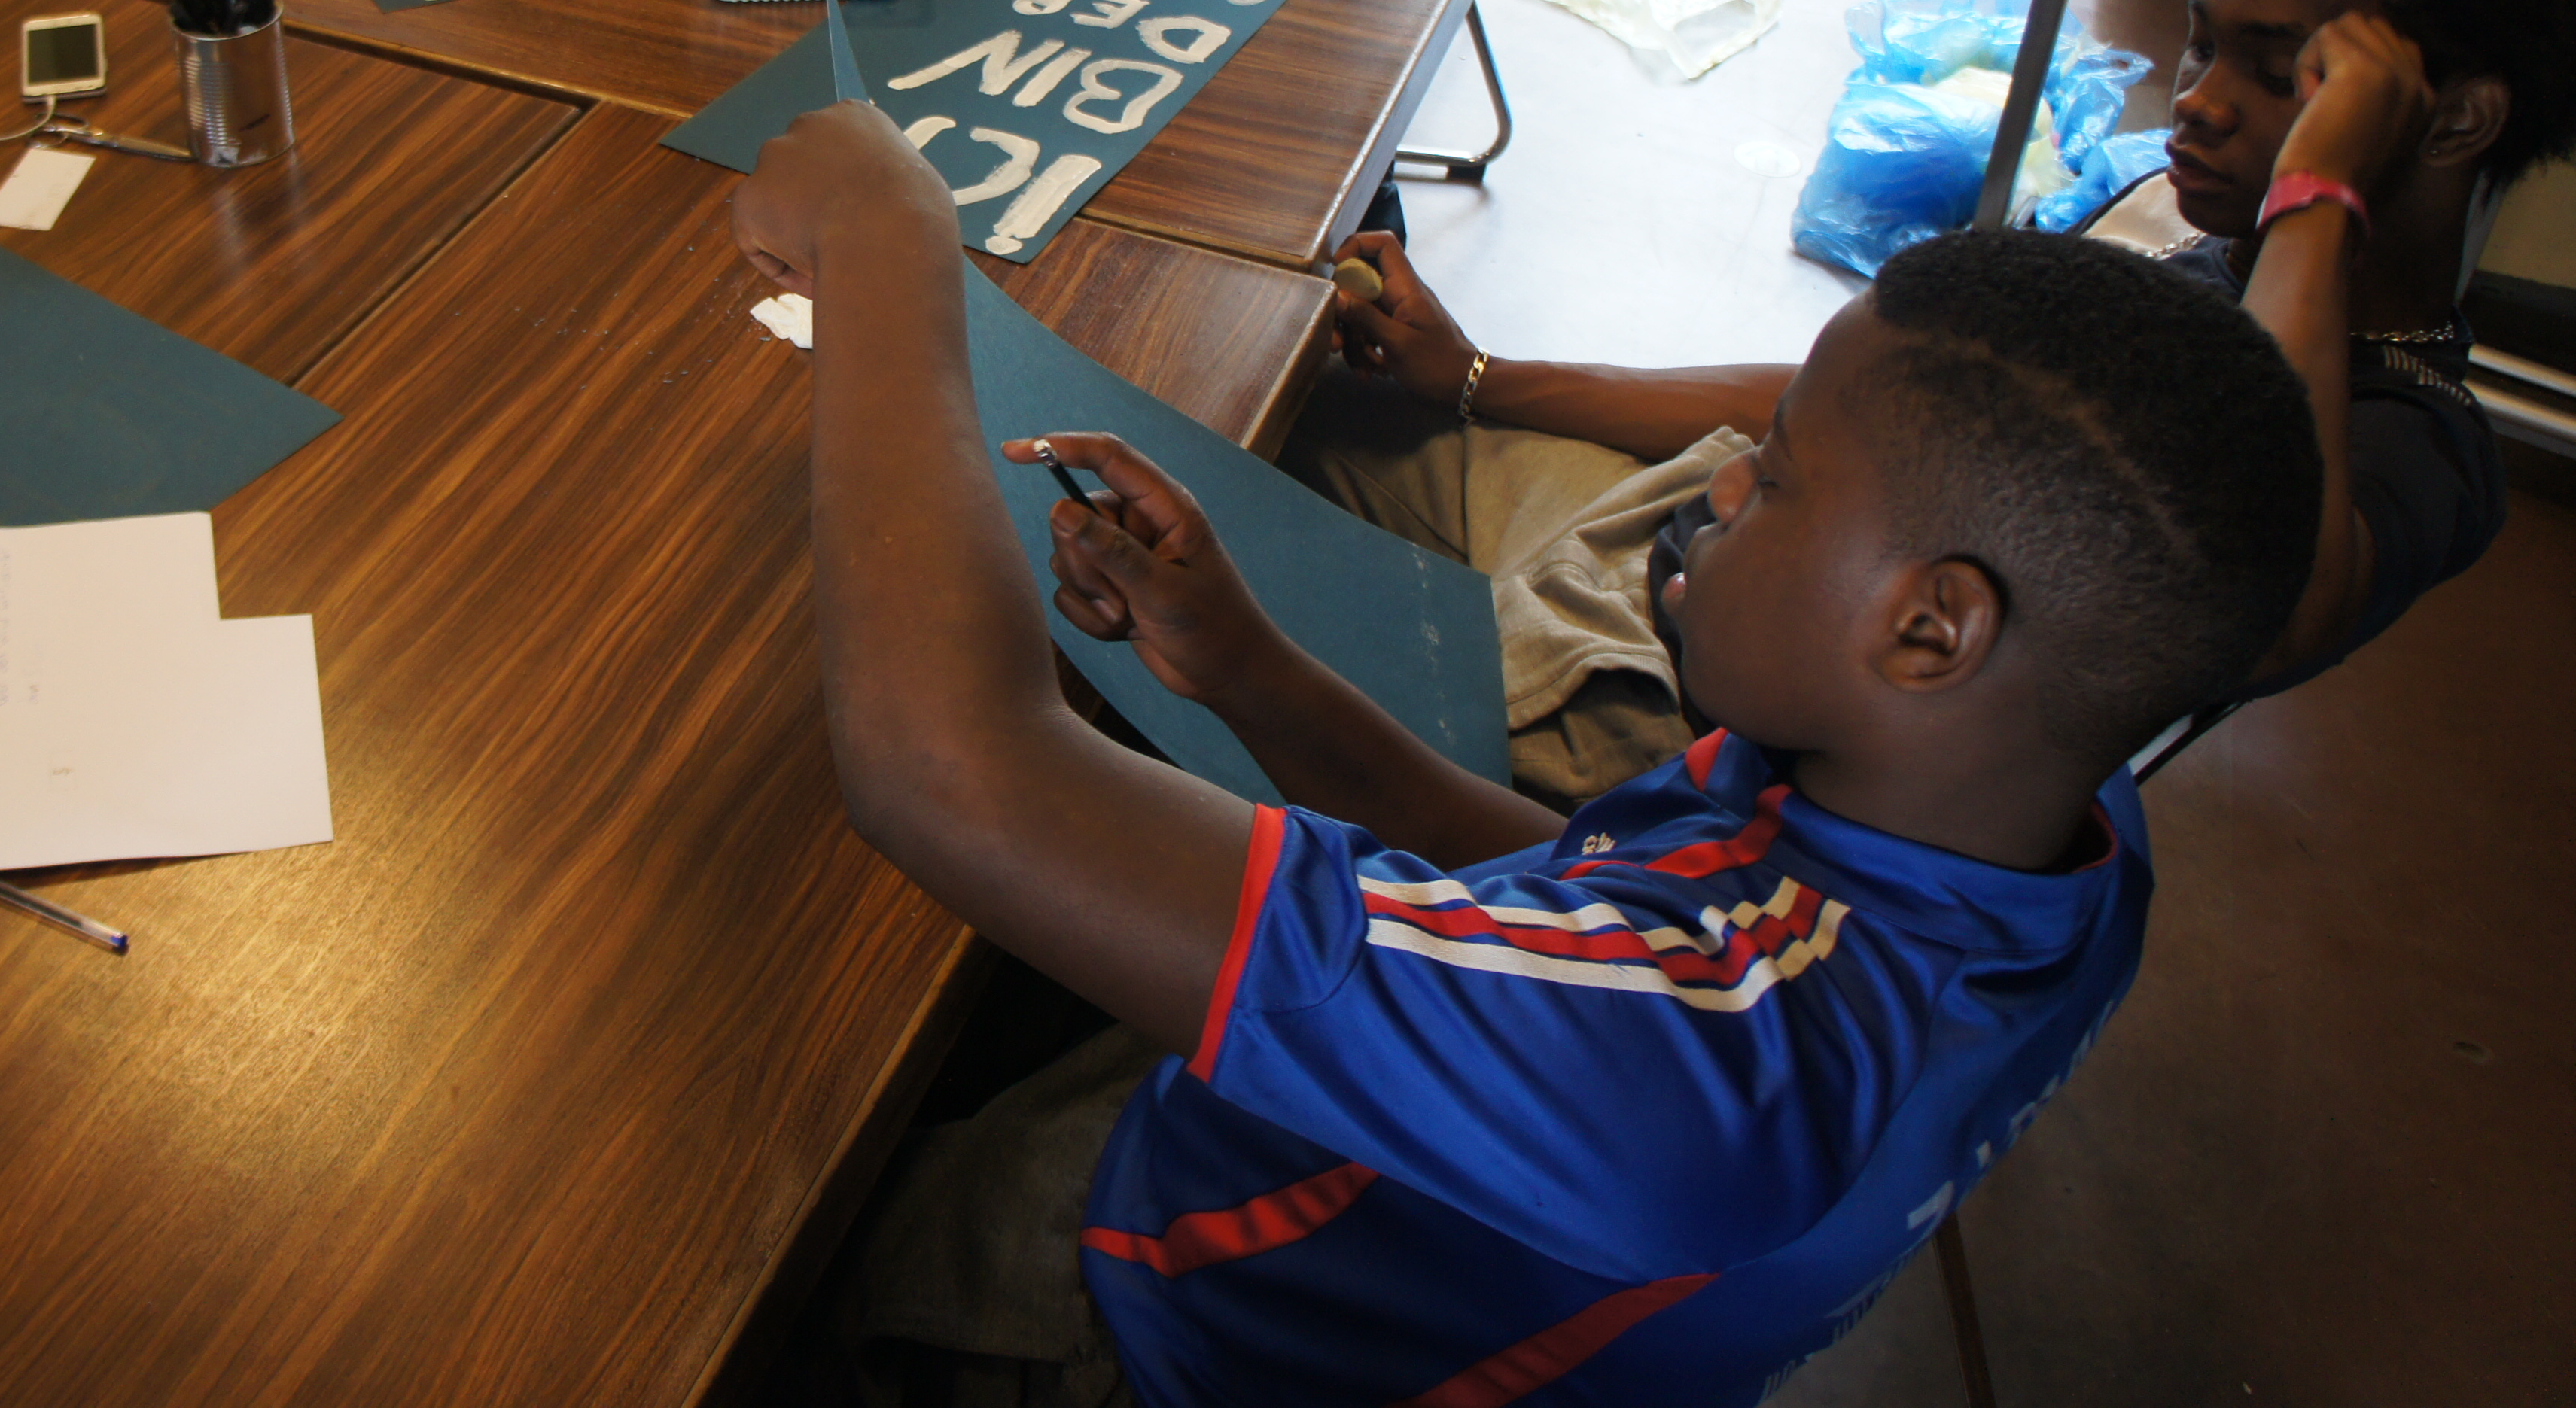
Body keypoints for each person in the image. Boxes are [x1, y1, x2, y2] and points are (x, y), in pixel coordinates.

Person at [737, 100, 2318, 1406]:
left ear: (1930, 632)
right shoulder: (2047, 847)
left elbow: (943, 772)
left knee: (737, 1202)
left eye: (1772, 480)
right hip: (1351, 1185)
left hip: (1168, 1322)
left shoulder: (1695, 1076)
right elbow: (1574, 887)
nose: (1711, 498)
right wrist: (1248, 670)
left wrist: (888, 241)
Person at [1302, 0, 2568, 806]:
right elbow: (1839, 396)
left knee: (1219, 695)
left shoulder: (2420, 445)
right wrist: (1479, 376)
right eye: (2200, 50)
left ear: (2445, 124)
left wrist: (2315, 202)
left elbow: (2273, 600)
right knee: (1319, 421)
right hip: (1701, 526)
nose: (2198, 106)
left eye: (2288, 78)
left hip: (1684, 689)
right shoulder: (2207, 263)